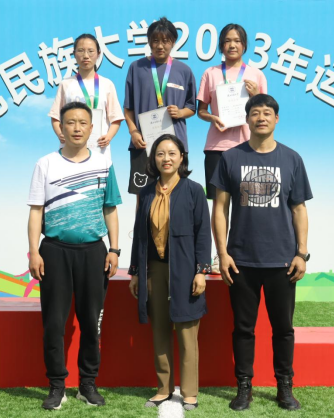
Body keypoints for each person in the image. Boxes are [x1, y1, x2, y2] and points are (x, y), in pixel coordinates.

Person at [211, 94, 313, 411]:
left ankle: (285, 387)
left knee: (283, 329)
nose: (261, 118)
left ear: (276, 119)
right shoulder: (231, 158)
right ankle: (244, 387)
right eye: (255, 113)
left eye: (267, 113)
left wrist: (302, 253)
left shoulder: (292, 159)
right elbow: (220, 209)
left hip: (283, 261)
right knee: (243, 329)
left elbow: (299, 209)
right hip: (241, 261)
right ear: (247, 119)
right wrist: (223, 253)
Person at [28, 102, 122, 410]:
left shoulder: (104, 164)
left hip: (93, 252)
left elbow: (110, 208)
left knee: (91, 323)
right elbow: (36, 211)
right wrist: (34, 251)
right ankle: (57, 385)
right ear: (61, 127)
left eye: (83, 122)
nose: (77, 128)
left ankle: (87, 384)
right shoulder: (45, 164)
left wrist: (114, 249)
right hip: (54, 251)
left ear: (92, 128)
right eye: (70, 122)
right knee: (54, 323)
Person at [128, 134, 211, 411]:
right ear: (153, 159)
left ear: (182, 158)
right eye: (160, 153)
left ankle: (189, 392)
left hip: (186, 270)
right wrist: (136, 272)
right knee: (160, 331)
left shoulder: (194, 190)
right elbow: (140, 235)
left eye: (172, 153)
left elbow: (203, 233)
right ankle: (163, 389)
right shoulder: (146, 193)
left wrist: (201, 271)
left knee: (187, 334)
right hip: (155, 270)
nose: (166, 158)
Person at [197, 24, 267, 272]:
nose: (232, 45)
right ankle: (220, 255)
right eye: (227, 41)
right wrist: (212, 118)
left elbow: (264, 111)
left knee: (248, 203)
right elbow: (201, 110)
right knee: (220, 204)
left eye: (237, 40)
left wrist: (255, 95)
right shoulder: (211, 73)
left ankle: (246, 253)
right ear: (221, 46)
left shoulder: (256, 75)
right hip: (217, 147)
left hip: (249, 147)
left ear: (244, 45)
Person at [124, 17, 197, 200]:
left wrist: (180, 112)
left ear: (173, 42)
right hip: (143, 143)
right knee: (143, 197)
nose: (160, 46)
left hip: (175, 144)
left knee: (175, 196)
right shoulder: (136, 68)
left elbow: (191, 107)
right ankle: (142, 222)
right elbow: (128, 108)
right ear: (149, 42)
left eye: (165, 41)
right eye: (155, 40)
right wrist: (133, 132)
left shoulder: (184, 71)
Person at [48, 34, 124, 161]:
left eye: (90, 51)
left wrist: (109, 136)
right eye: (81, 51)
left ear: (98, 54)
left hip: (99, 150)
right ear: (74, 54)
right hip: (70, 151)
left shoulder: (107, 84)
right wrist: (60, 134)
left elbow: (116, 118)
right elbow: (55, 116)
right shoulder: (65, 84)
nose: (86, 56)